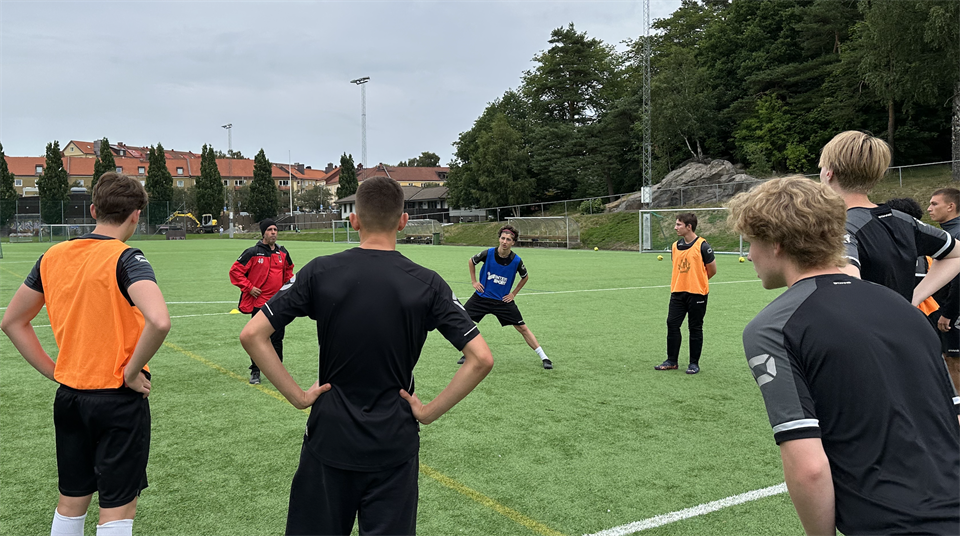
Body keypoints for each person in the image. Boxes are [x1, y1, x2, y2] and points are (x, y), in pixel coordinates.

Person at [240, 176, 493, 536]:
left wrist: (298, 397)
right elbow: (481, 358)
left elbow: (252, 334)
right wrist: (427, 412)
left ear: (354, 220)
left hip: (330, 436)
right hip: (394, 441)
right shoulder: (429, 283)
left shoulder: (320, 271)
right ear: (403, 222)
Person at [729, 176, 960, 536]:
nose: (749, 255)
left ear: (775, 243)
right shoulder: (905, 308)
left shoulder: (774, 326)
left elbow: (809, 467)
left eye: (751, 242)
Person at [0, 172, 171, 536]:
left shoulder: (53, 255)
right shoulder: (127, 257)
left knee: (71, 502)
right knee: (117, 510)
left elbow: (12, 322)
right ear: (136, 215)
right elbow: (159, 320)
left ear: (94, 210)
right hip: (117, 400)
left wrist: (55, 370)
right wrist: (131, 371)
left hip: (70, 399)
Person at [818, 130, 960, 304]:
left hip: (865, 320)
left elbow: (847, 281)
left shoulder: (841, 226)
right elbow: (956, 254)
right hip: (902, 319)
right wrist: (911, 301)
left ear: (829, 173)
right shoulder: (905, 221)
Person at [459, 225, 552, 369]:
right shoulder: (488, 253)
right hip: (481, 297)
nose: (504, 241)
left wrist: (513, 294)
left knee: (522, 328)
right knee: (463, 320)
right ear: (499, 239)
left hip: (502, 301)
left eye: (508, 239)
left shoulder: (516, 260)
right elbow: (471, 261)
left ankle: (544, 357)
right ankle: (469, 353)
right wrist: (474, 281)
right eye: (502, 238)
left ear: (513, 242)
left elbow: (525, 277)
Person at [229, 218, 294, 384]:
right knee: (257, 338)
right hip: (260, 305)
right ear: (263, 233)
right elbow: (235, 272)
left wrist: (288, 291)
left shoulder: (283, 253)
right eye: (270, 230)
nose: (273, 233)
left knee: (277, 339)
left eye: (275, 230)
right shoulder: (252, 252)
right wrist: (249, 287)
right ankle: (255, 371)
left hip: (278, 304)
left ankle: (277, 372)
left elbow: (289, 273)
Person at [655, 213, 717, 374]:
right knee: (672, 324)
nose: (675, 227)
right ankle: (671, 361)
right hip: (677, 293)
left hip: (697, 294)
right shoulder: (675, 246)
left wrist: (698, 281)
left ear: (689, 227)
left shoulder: (703, 246)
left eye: (678, 225)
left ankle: (693, 363)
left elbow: (712, 270)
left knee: (695, 327)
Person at [928, 188, 960, 393]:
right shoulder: (947, 233)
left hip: (952, 311)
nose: (929, 209)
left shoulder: (956, 235)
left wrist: (948, 313)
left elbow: (958, 279)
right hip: (947, 307)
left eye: (934, 204)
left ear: (951, 206)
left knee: (954, 360)